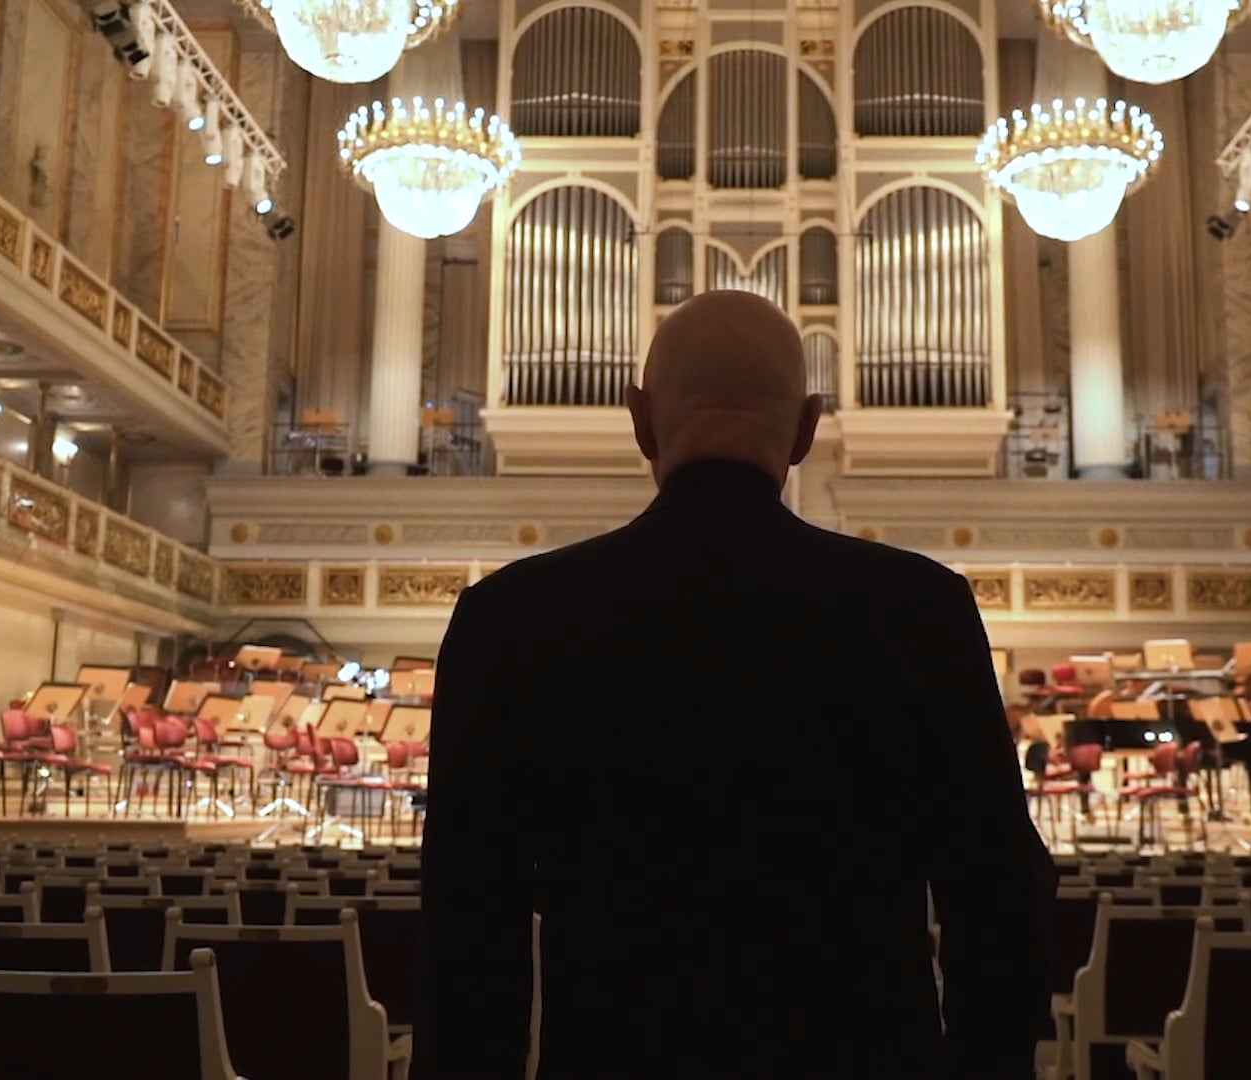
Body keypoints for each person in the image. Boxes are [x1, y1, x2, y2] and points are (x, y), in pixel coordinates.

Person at [414, 291, 1056, 1079]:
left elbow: (470, 936)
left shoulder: (508, 619)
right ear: (808, 429)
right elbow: (995, 892)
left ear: (640, 420)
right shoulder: (921, 609)